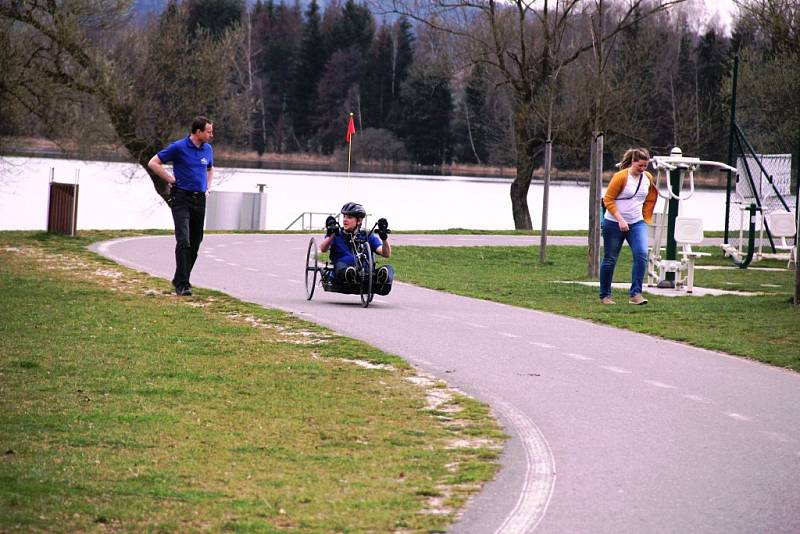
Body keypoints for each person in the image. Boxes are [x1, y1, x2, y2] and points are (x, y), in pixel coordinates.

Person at [147, 116, 214, 296]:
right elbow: (153, 163)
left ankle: (179, 277)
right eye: (208, 131)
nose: (211, 134)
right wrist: (171, 179)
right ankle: (183, 285)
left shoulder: (208, 149)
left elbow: (209, 168)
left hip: (200, 200)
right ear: (198, 131)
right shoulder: (179, 147)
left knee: (195, 242)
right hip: (181, 198)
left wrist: (208, 187)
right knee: (183, 240)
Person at [600, 147, 658, 305]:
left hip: (636, 222)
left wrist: (645, 216)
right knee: (610, 258)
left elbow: (651, 196)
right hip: (614, 222)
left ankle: (636, 294)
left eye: (646, 166)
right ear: (633, 162)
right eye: (640, 165)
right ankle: (605, 295)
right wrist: (620, 219)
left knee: (641, 254)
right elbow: (608, 200)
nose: (643, 169)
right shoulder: (620, 177)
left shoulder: (647, 177)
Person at [319, 202, 394, 295]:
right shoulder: (336, 235)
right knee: (341, 265)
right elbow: (323, 248)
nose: (345, 220)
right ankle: (350, 274)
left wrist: (384, 238)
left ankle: (381, 278)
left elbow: (386, 253)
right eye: (344, 217)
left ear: (359, 221)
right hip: (343, 275)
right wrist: (331, 235)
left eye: (349, 217)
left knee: (389, 268)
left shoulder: (367, 236)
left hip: (367, 274)